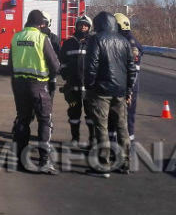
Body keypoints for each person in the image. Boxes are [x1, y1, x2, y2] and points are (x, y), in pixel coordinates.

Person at [84, 11, 137, 177]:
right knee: (122, 128)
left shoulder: (96, 40)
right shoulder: (124, 41)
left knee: (102, 128)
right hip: (120, 92)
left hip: (101, 91)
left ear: (99, 24)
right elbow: (131, 69)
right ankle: (125, 163)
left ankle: (104, 165)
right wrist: (128, 90)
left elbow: (91, 66)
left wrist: (89, 86)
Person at [10, 9, 62, 174]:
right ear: (40, 23)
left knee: (22, 121)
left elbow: (10, 65)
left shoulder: (16, 37)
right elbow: (55, 65)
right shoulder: (41, 38)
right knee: (45, 121)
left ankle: (19, 160)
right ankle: (44, 161)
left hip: (19, 85)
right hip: (38, 85)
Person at [59, 15, 93, 148]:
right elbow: (62, 63)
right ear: (76, 26)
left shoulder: (93, 43)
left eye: (86, 25)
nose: (83, 27)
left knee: (91, 115)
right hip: (73, 86)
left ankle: (93, 140)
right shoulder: (68, 43)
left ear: (89, 27)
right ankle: (75, 138)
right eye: (81, 25)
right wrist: (66, 77)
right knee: (74, 114)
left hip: (90, 88)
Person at [114, 13, 143, 143]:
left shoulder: (130, 44)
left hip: (127, 89)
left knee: (126, 119)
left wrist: (128, 91)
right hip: (122, 87)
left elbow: (133, 71)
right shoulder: (122, 40)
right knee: (118, 118)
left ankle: (128, 147)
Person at [38, 11, 61, 100]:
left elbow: (59, 56)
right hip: (36, 76)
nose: (42, 25)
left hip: (50, 76)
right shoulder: (33, 37)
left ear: (48, 24)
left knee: (48, 101)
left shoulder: (54, 39)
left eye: (44, 23)